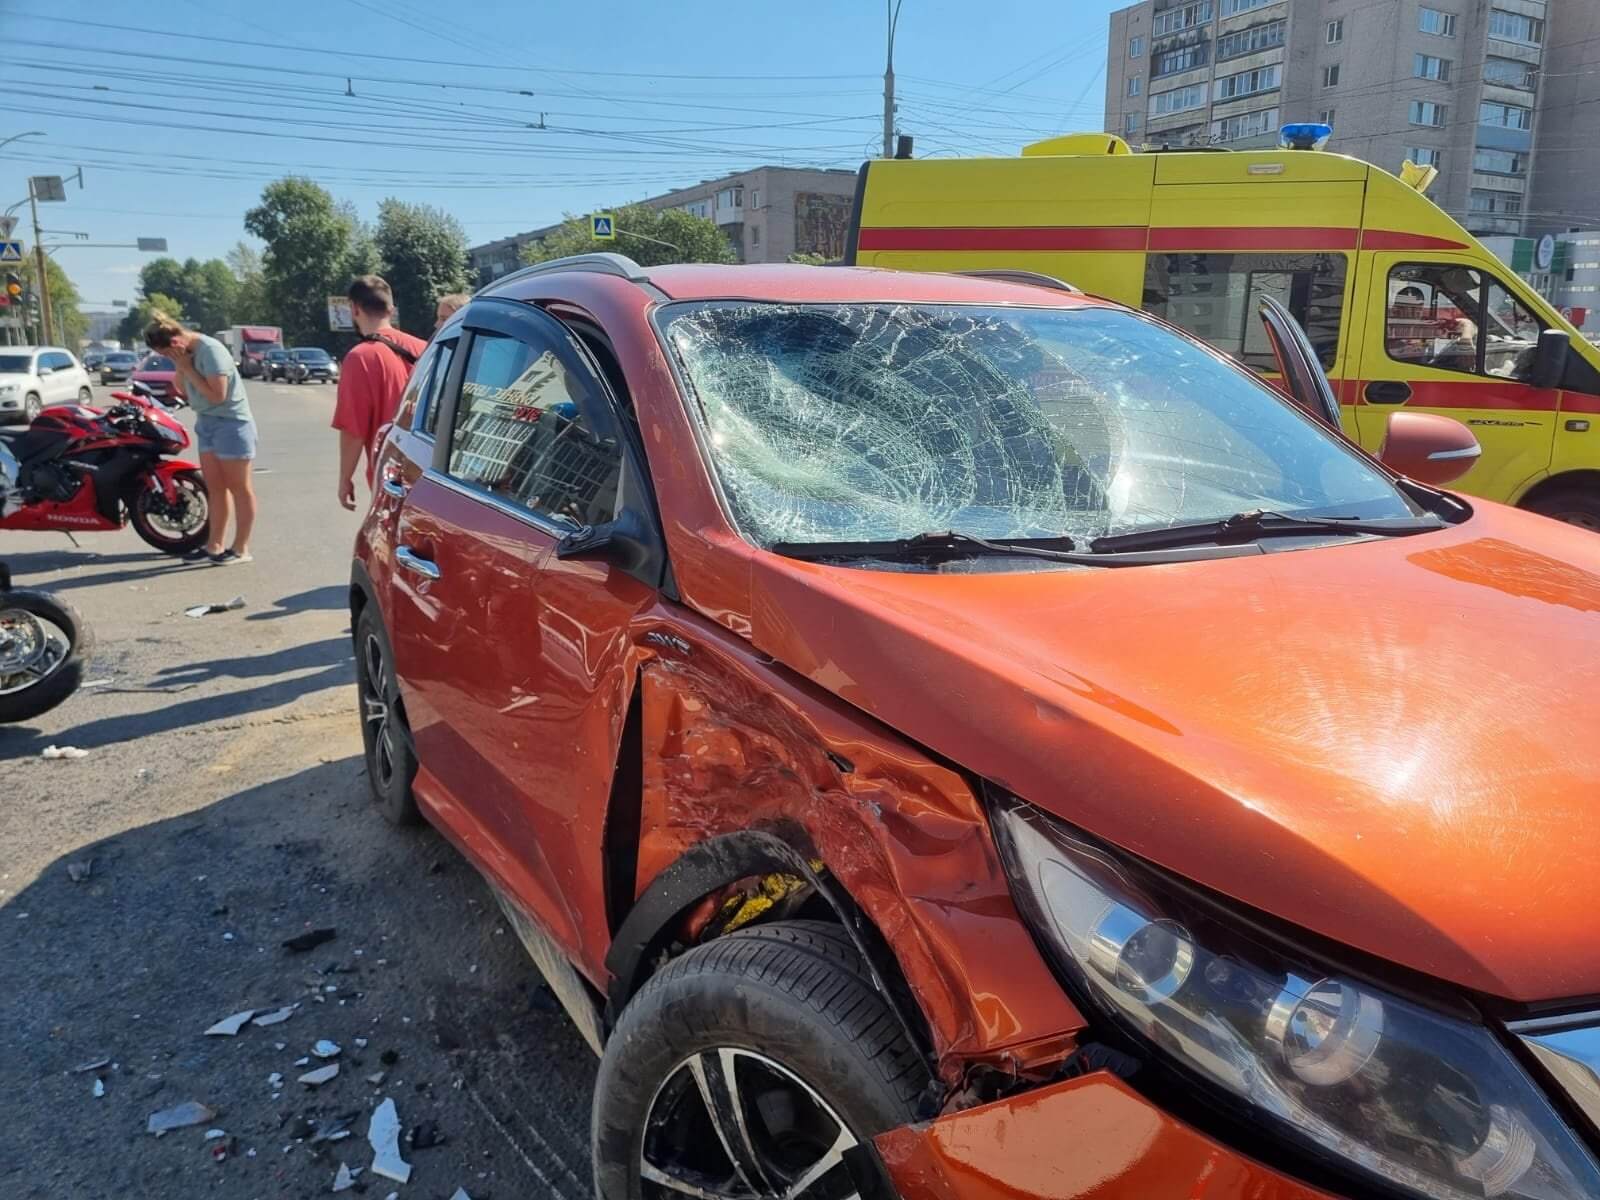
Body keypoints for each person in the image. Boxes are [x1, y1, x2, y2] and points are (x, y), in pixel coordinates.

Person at [144, 316, 257, 565]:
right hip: (206, 423)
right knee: (215, 487)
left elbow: (218, 395)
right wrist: (181, 367)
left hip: (231, 424)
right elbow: (182, 390)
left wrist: (188, 368)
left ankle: (241, 548)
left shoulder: (211, 351)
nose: (167, 358)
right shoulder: (184, 356)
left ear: (175, 341)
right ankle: (214, 546)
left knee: (239, 487)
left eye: (167, 353)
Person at [332, 275, 428, 510]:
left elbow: (353, 429)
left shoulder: (360, 357)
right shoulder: (425, 348)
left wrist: (345, 478)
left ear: (354, 308)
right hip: (429, 475)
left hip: (392, 479)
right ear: (391, 309)